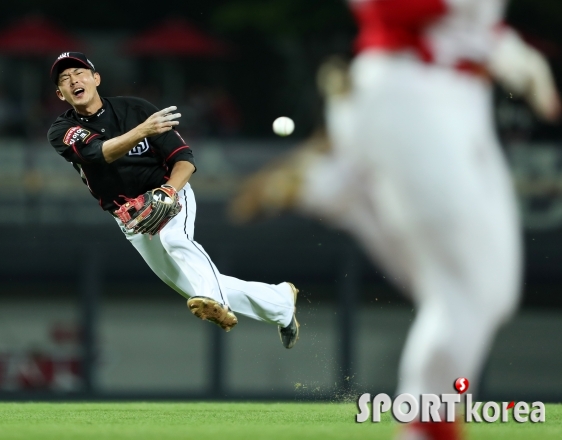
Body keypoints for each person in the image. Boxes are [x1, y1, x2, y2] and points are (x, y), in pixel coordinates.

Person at [230, 1, 560, 438]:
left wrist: (505, 48)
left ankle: (335, 185)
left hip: (458, 98)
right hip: (413, 94)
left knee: (491, 292)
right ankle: (427, 427)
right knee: (459, 294)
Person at [46, 52, 299, 348]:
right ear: (60, 93)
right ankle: (280, 303)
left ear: (96, 78)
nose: (74, 79)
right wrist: (143, 131)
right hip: (130, 219)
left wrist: (169, 191)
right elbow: (100, 153)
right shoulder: (61, 130)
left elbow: (184, 159)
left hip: (168, 192)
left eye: (79, 72)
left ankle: (216, 302)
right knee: (190, 283)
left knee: (176, 241)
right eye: (65, 79)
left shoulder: (136, 109)